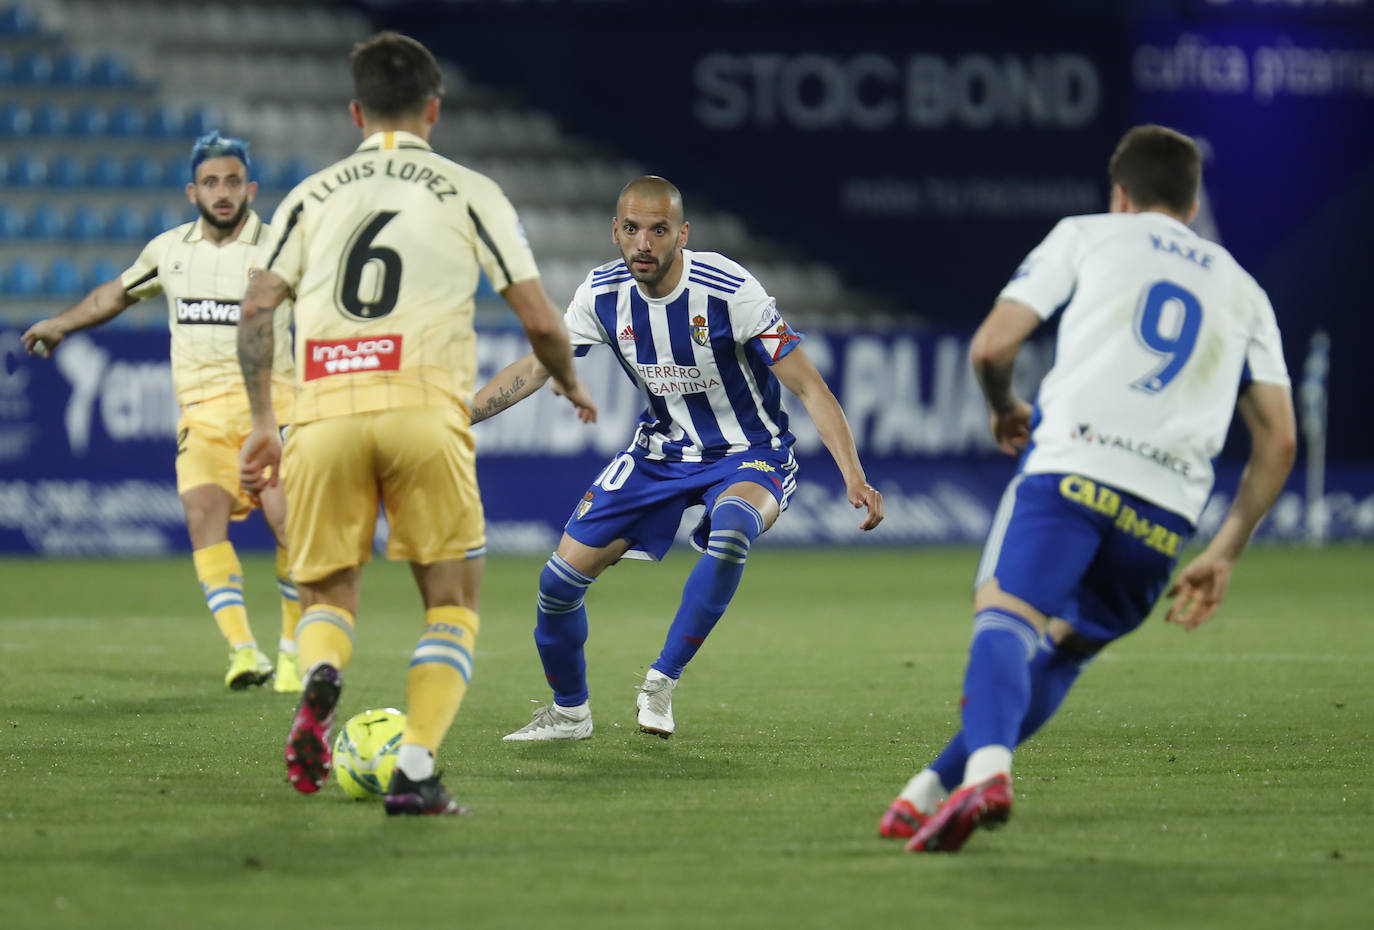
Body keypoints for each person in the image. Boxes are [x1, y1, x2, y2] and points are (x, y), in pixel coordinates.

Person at [880, 125, 1297, 853]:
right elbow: (1281, 440)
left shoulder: (1088, 234)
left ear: (1120, 195)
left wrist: (1001, 403)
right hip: (1163, 516)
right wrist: (1225, 551)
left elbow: (992, 345)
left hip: (1072, 474)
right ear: (1193, 207)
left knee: (1005, 623)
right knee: (1062, 652)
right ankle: (927, 792)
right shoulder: (1245, 290)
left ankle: (987, 770)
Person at [236, 31, 595, 816]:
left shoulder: (310, 195)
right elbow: (540, 320)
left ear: (356, 110)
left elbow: (257, 307)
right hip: (424, 410)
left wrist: (265, 420)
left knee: (327, 592)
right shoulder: (470, 190)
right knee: (451, 602)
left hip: (322, 413)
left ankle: (323, 673)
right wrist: (567, 381)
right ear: (434, 108)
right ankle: (418, 772)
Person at [469, 175, 884, 743]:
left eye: (658, 230)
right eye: (632, 229)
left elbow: (810, 387)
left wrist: (853, 475)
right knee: (557, 584)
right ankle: (570, 713)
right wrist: (461, 415)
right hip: (659, 454)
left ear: (681, 234)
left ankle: (661, 681)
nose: (644, 243)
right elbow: (538, 367)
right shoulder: (601, 294)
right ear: (614, 231)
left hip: (749, 453)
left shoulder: (729, 290)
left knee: (732, 531)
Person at [22, 132, 303, 693]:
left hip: (274, 411)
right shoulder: (168, 252)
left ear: (250, 188)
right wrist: (61, 323)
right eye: (209, 183)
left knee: (288, 522)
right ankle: (243, 651)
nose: (221, 193)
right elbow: (116, 295)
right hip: (201, 414)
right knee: (203, 517)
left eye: (230, 182)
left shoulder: (281, 249)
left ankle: (294, 653)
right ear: (191, 191)